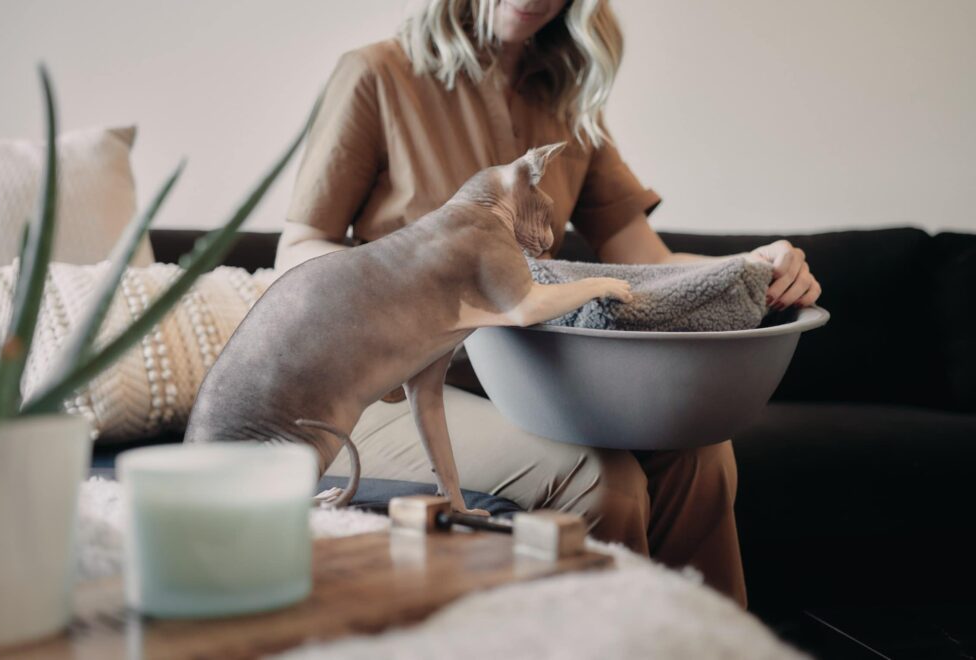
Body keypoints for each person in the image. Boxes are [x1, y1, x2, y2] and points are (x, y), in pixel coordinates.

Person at [275, 0, 820, 609]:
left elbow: (653, 264)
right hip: (386, 388)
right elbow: (297, 248)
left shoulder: (566, 97)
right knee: (604, 486)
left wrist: (756, 266)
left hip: (527, 378)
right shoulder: (377, 73)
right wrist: (408, 283)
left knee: (702, 455)